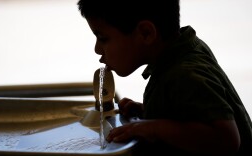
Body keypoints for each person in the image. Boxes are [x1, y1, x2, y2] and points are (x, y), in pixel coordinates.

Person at [77, 0, 252, 155]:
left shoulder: (186, 74)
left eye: (103, 38)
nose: (97, 49)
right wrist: (153, 112)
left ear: (146, 33)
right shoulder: (182, 51)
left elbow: (226, 139)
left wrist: (153, 128)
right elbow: (193, 113)